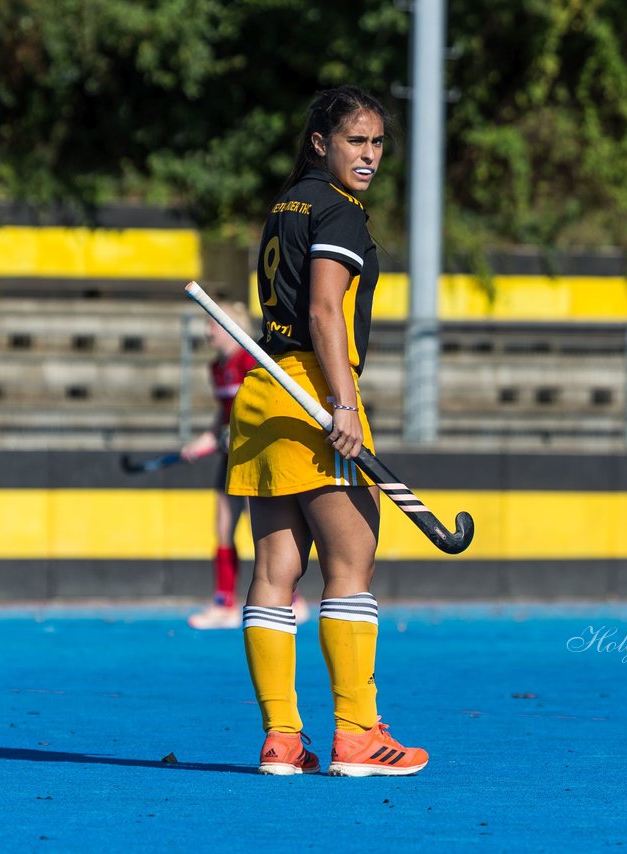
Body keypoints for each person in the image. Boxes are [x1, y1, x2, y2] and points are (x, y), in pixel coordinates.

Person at [226, 85, 428, 776]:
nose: (369, 155)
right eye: (356, 142)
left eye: (376, 143)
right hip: (316, 390)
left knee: (275, 573)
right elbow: (323, 312)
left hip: (262, 397)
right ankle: (355, 735)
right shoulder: (340, 212)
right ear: (321, 143)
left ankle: (281, 741)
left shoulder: (286, 206)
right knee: (351, 564)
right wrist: (344, 403)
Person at [183, 304, 311, 630]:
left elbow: (266, 407)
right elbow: (224, 419)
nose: (208, 331)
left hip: (258, 455)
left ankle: (292, 600)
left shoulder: (251, 361)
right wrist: (204, 442)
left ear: (229, 326)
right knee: (223, 529)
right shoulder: (216, 368)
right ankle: (224, 603)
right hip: (230, 458)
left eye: (213, 324)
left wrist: (235, 434)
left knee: (268, 534)